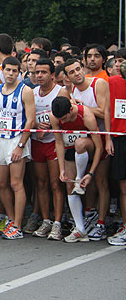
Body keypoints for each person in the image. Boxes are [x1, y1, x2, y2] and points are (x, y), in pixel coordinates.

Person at [0, 56, 35, 239]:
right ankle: (11, 217)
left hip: (17, 139)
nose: (10, 74)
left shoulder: (26, 91)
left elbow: (30, 119)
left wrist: (21, 145)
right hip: (1, 138)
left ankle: (17, 225)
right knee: (0, 182)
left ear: (19, 72)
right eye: (7, 70)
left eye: (14, 71)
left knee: (16, 183)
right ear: (2, 70)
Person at [65, 57, 110, 241]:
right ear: (67, 77)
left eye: (78, 69)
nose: (77, 73)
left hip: (100, 136)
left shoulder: (98, 84)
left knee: (101, 181)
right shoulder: (72, 89)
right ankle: (89, 214)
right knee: (86, 183)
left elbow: (104, 111)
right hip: (83, 139)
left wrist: (81, 107)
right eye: (72, 72)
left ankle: (101, 223)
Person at [51, 96, 103, 243]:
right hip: (69, 150)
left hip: (88, 147)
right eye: (61, 119)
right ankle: (80, 229)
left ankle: (79, 179)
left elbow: (99, 147)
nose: (64, 121)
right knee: (69, 185)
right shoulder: (54, 117)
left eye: (66, 118)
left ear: (71, 109)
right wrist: (61, 169)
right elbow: (59, 143)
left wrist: (91, 173)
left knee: (79, 143)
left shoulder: (85, 115)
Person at [29, 59, 68, 241]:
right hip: (37, 143)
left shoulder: (61, 92)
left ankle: (58, 222)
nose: (39, 76)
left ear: (52, 74)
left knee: (55, 184)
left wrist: (52, 125)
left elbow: (68, 118)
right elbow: (28, 117)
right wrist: (37, 124)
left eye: (43, 72)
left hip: (55, 143)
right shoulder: (32, 92)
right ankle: (45, 220)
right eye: (37, 73)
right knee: (41, 183)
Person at [105, 61, 126, 245]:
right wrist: (109, 138)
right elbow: (108, 109)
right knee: (123, 188)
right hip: (120, 138)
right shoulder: (112, 82)